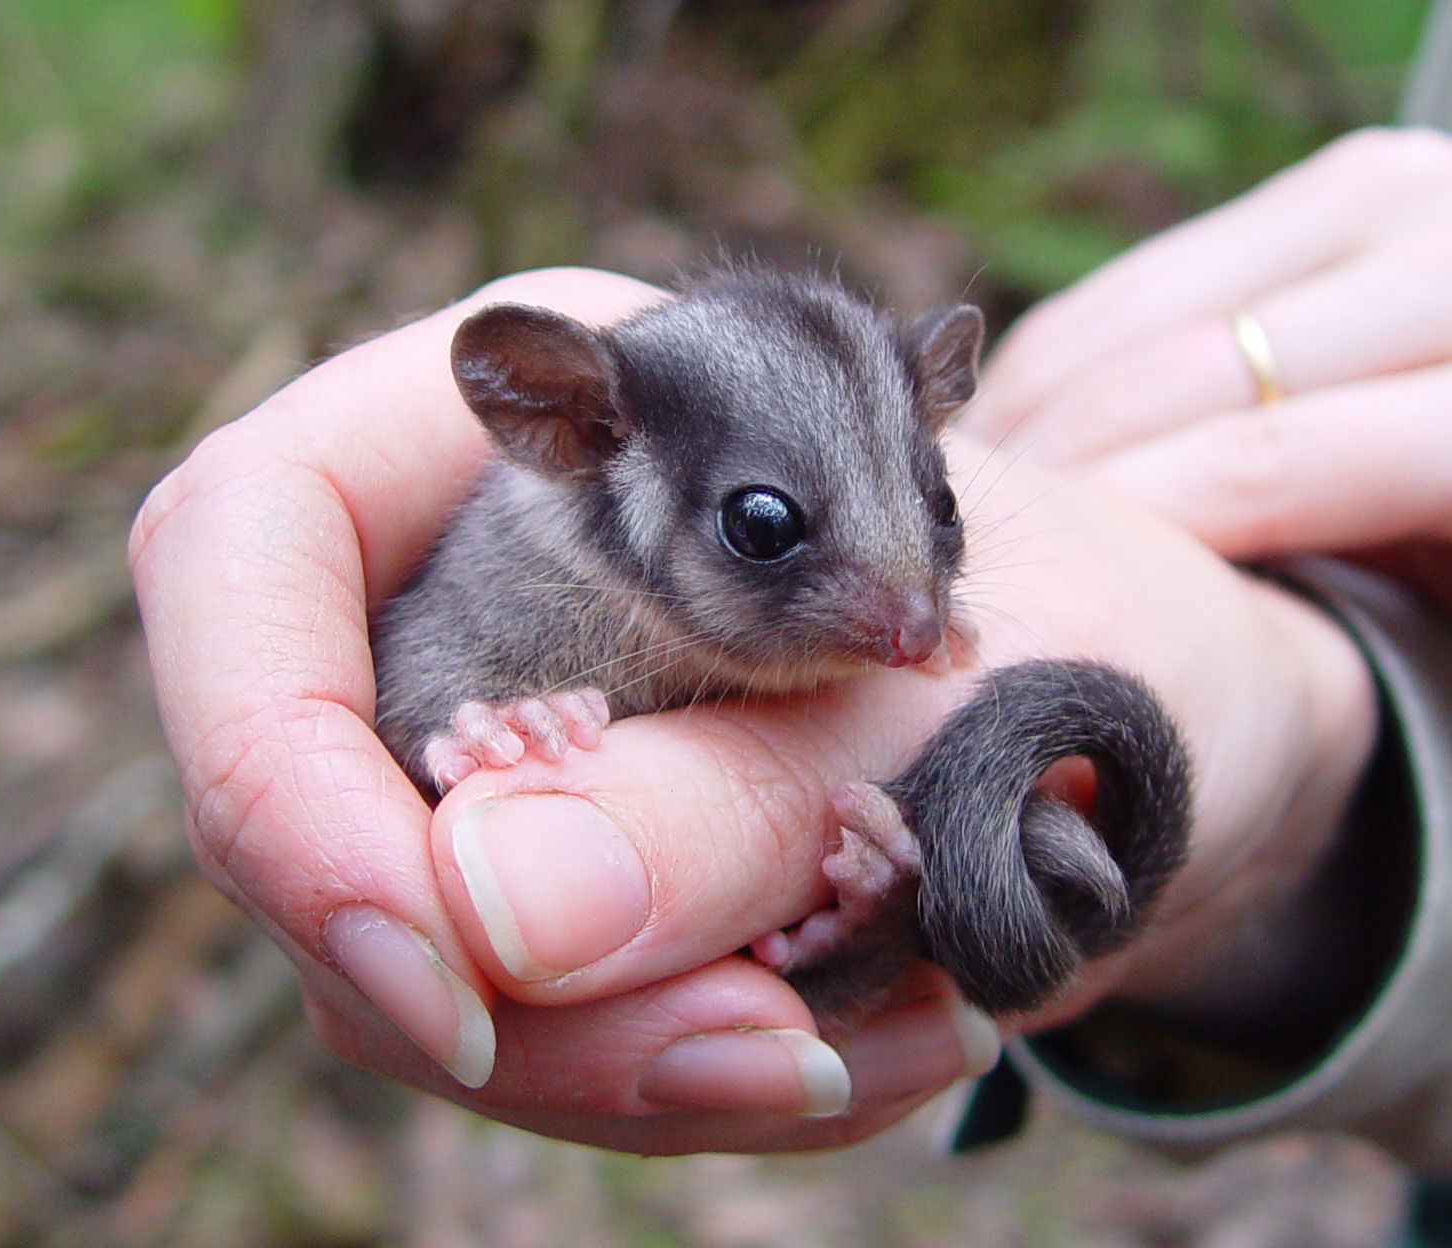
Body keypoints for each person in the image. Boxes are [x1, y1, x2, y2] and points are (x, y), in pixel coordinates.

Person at [129, 126, 1452, 1165]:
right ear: (576, 431)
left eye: (931, 515)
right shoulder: (524, 572)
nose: (911, 619)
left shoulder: (919, 624)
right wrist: (462, 741)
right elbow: (419, 708)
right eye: (769, 526)